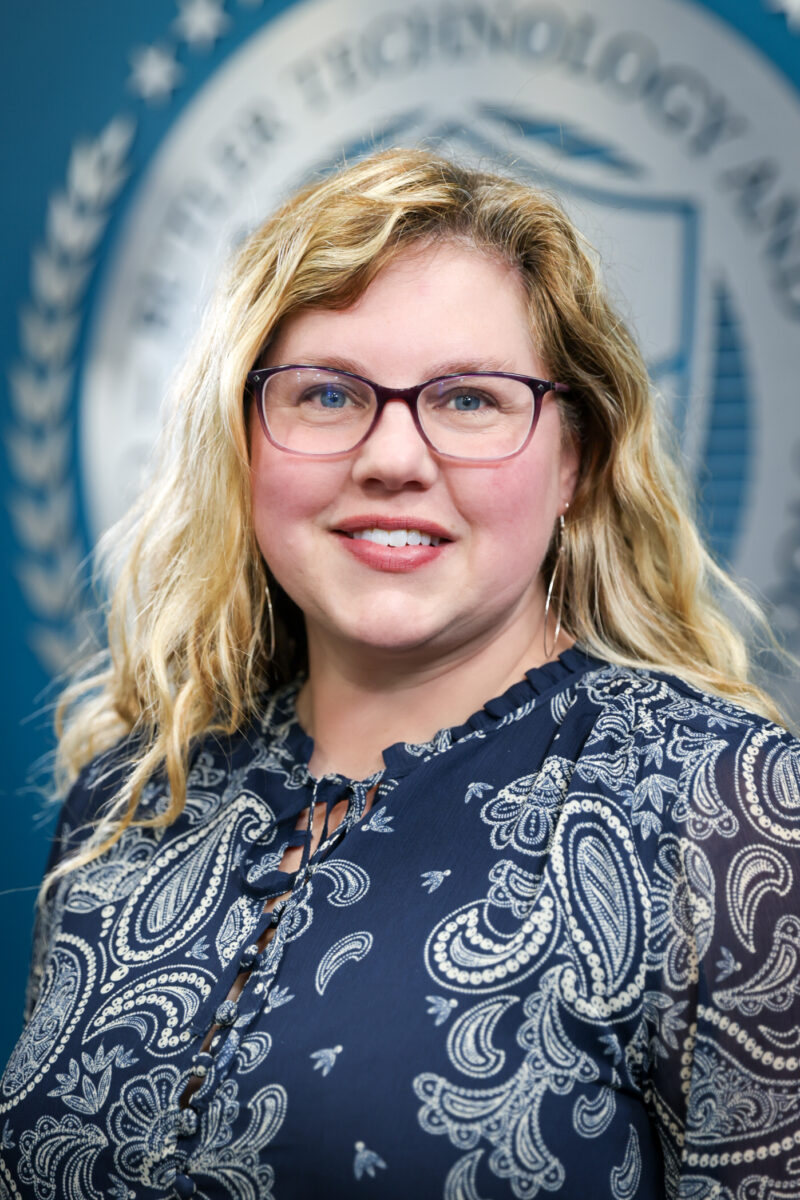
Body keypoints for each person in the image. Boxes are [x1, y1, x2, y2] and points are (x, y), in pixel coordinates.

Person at [1, 147, 798, 1200]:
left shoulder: (724, 810)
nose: (390, 456)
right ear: (245, 440)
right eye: (327, 395)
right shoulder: (133, 797)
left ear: (576, 460)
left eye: (468, 400)